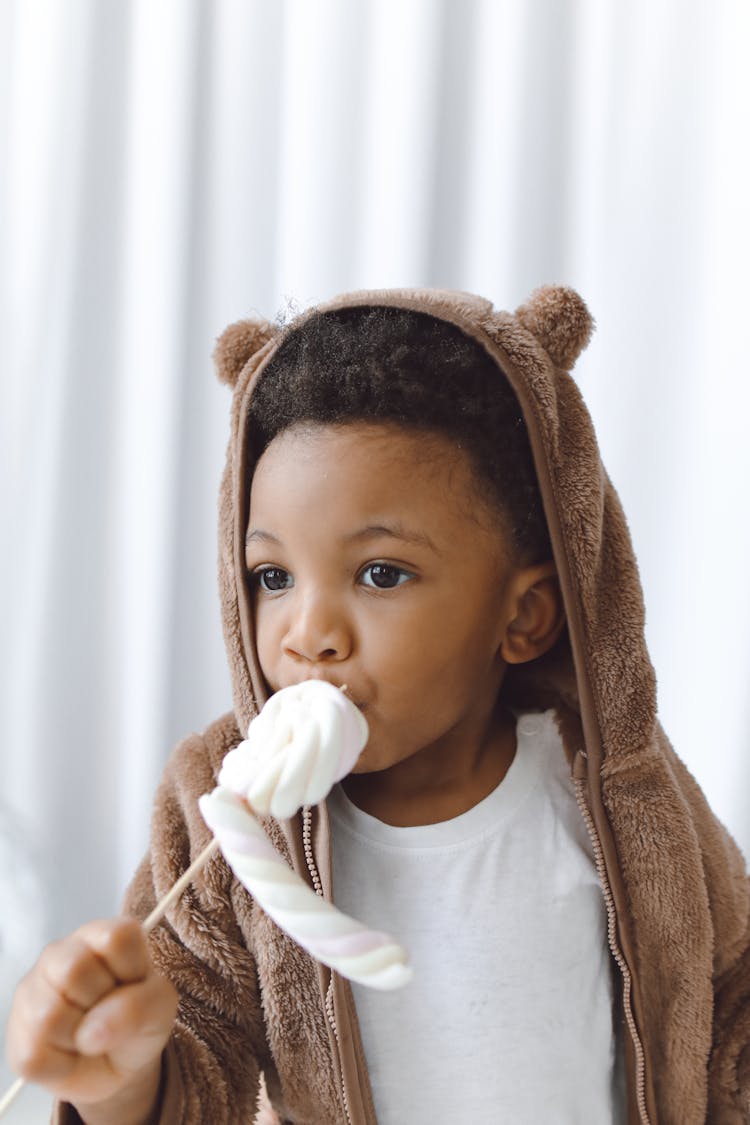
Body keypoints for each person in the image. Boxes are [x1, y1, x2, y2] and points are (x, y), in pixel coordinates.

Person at [5, 286, 750, 1124]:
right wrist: (119, 1074)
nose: (307, 633)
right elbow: (196, 1068)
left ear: (523, 616)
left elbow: (725, 1005)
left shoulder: (610, 785)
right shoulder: (220, 810)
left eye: (380, 573)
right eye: (273, 578)